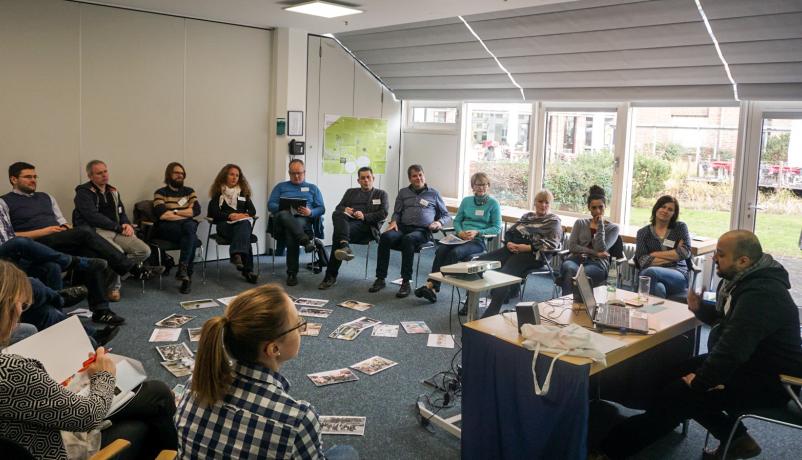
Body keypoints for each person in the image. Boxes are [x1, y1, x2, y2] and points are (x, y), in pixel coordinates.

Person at [597, 230, 802, 460]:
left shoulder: (761, 295)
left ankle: (610, 449)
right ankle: (736, 439)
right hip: (750, 363)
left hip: (770, 382)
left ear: (743, 261)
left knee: (681, 393)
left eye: (721, 255)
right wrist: (700, 309)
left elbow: (732, 350)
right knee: (670, 374)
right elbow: (730, 324)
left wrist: (702, 381)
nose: (714, 258)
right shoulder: (747, 281)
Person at [0, 260, 178, 460]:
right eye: (21, 304)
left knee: (152, 400)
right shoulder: (11, 369)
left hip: (29, 432)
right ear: (5, 306)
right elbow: (87, 417)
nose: (20, 314)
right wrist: (104, 375)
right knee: (150, 410)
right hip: (52, 446)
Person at [176, 284, 359, 459]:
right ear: (273, 349)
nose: (302, 328)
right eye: (298, 324)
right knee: (347, 453)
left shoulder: (195, 385)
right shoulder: (297, 419)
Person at [1, 162, 157, 325]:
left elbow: (62, 222)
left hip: (56, 240)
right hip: (33, 245)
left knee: (92, 256)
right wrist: (45, 231)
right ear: (13, 179)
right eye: (28, 177)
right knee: (84, 231)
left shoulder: (47, 197)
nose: (33, 180)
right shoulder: (4, 202)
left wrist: (65, 228)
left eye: (34, 177)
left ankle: (101, 311)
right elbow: (10, 238)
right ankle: (131, 267)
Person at [73, 160, 155, 301]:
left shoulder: (113, 191)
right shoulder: (83, 192)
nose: (104, 175)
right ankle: (113, 288)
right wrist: (118, 227)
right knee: (116, 253)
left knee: (144, 250)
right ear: (90, 176)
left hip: (117, 230)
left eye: (105, 171)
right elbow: (92, 217)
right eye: (99, 173)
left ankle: (113, 274)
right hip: (96, 231)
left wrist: (127, 224)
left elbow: (121, 212)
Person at [414, 172, 501, 303]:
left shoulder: (493, 204)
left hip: (477, 241)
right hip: (460, 237)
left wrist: (477, 232)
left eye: (484, 184)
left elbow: (496, 227)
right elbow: (457, 221)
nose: (481, 187)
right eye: (478, 185)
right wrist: (460, 232)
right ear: (473, 186)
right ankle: (432, 287)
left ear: (488, 186)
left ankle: (432, 285)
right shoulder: (466, 201)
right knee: (441, 250)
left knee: (455, 253)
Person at [475, 190, 562, 318]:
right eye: (540, 201)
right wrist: (509, 243)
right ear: (535, 203)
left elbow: (552, 244)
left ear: (550, 205)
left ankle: (492, 311)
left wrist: (527, 247)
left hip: (536, 255)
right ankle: (473, 301)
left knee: (504, 274)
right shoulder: (527, 217)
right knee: (479, 262)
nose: (543, 205)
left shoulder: (553, 221)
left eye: (546, 203)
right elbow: (510, 232)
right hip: (514, 248)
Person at [369, 164, 451, 298]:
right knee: (385, 237)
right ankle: (380, 278)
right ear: (410, 178)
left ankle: (405, 282)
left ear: (424, 176)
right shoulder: (403, 192)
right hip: (402, 227)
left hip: (422, 230)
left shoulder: (434, 193)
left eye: (420, 175)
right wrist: (394, 221)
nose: (418, 178)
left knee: (409, 239)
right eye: (414, 176)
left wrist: (438, 222)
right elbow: (397, 212)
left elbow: (445, 215)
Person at [318, 166, 389, 290]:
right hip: (349, 225)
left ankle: (330, 276)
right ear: (358, 181)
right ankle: (344, 245)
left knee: (337, 236)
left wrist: (364, 216)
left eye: (368, 177)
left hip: (367, 228)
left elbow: (383, 213)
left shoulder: (381, 194)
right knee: (337, 214)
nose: (366, 180)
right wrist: (345, 209)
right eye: (363, 178)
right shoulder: (350, 192)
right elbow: (338, 207)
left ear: (373, 178)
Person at [267, 159, 327, 287]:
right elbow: (270, 205)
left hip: (303, 222)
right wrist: (284, 208)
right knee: (284, 214)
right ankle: (305, 242)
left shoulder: (312, 188)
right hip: (281, 223)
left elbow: (321, 208)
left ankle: (292, 274)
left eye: (299, 173)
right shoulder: (280, 187)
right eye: (293, 173)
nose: (296, 176)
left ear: (304, 172)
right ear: (289, 173)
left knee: (292, 230)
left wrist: (310, 212)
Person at [558, 185, 619, 295]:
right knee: (569, 268)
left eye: (601, 207)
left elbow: (601, 247)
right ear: (589, 208)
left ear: (606, 207)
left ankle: (579, 305)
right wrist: (595, 253)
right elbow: (572, 247)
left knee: (583, 274)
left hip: (597, 264)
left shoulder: (613, 228)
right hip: (576, 259)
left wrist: (600, 224)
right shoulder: (580, 223)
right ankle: (567, 303)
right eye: (594, 208)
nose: (598, 211)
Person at [153, 162, 202, 294]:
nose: (180, 175)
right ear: (169, 174)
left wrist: (173, 212)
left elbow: (196, 211)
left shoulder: (189, 191)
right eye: (176, 173)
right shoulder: (160, 193)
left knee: (190, 230)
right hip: (168, 228)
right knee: (191, 230)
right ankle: (186, 274)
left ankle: (184, 274)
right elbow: (162, 215)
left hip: (186, 227)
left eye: (182, 173)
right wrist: (183, 213)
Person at [207, 164, 258, 284]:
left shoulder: (242, 193)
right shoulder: (218, 193)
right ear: (225, 176)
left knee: (244, 226)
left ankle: (237, 255)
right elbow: (213, 212)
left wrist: (243, 216)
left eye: (237, 175)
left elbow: (252, 211)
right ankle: (248, 270)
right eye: (231, 174)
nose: (235, 177)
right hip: (225, 226)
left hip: (240, 225)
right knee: (245, 233)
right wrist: (229, 216)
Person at [634, 195, 692, 298]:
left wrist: (654, 254)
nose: (665, 211)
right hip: (652, 275)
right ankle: (654, 313)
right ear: (656, 208)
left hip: (677, 274)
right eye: (663, 207)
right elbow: (642, 260)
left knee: (650, 272)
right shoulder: (643, 233)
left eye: (670, 209)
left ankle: (644, 310)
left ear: (674, 214)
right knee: (658, 288)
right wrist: (674, 256)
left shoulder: (680, 228)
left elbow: (685, 252)